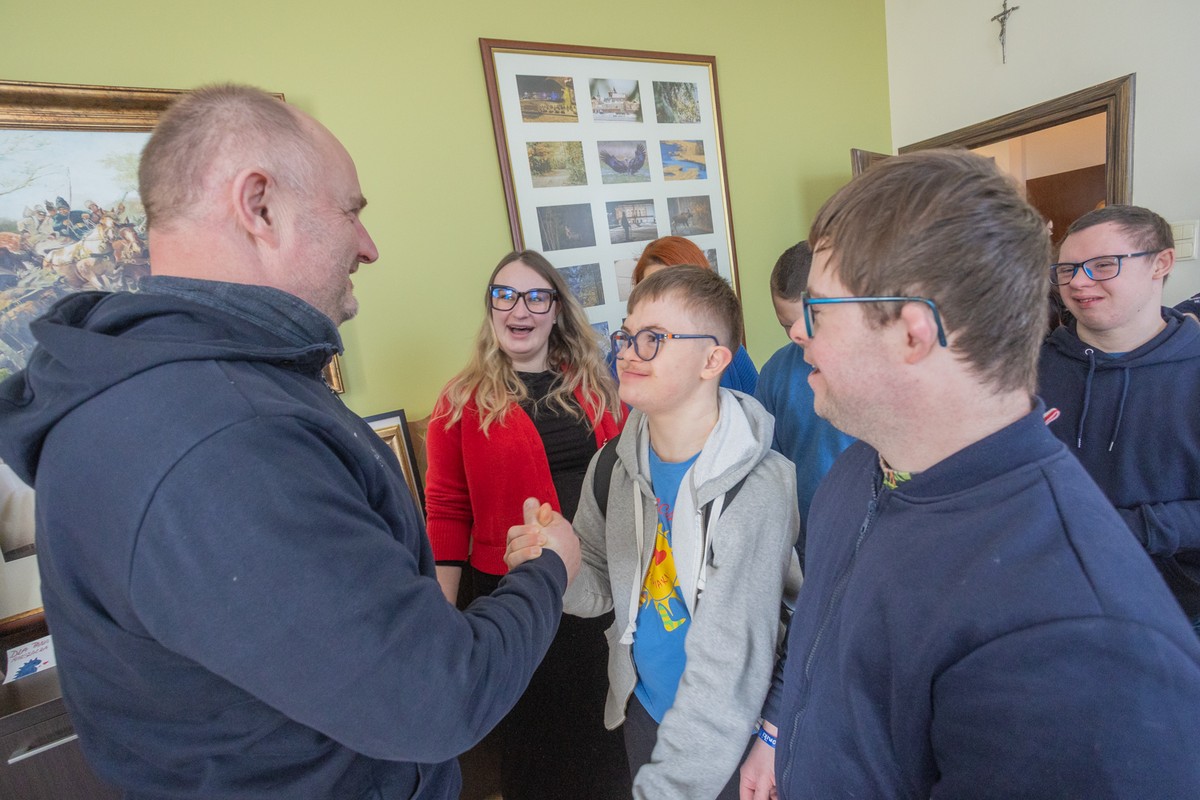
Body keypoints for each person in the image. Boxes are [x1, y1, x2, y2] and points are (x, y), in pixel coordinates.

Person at [0, 84, 581, 800]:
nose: (368, 246)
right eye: (352, 212)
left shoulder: (182, 396)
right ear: (261, 205)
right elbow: (436, 696)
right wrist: (547, 570)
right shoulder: (220, 438)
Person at [774, 150, 1200, 798]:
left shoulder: (1083, 644)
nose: (799, 335)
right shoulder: (861, 470)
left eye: (819, 311)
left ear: (913, 334)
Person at [510, 265, 802, 800]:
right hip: (645, 710)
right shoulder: (611, 466)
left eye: (654, 339)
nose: (627, 351)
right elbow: (600, 587)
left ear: (713, 360)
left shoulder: (759, 486)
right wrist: (556, 564)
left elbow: (729, 667)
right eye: (625, 336)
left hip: (733, 733)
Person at [423, 249, 630, 799]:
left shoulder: (596, 388)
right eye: (504, 296)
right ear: (491, 311)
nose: (521, 309)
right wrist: (440, 615)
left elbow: (628, 481)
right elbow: (445, 510)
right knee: (535, 744)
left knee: (603, 726)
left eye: (537, 296)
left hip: (595, 586)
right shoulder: (461, 400)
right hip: (510, 594)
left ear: (556, 309)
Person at [1039, 205, 1200, 629]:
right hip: (1048, 595)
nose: (1078, 282)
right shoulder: (1027, 365)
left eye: (1102, 265)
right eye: (1067, 268)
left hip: (1176, 608)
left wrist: (1129, 527)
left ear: (1161, 263)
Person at [753, 240, 854, 564]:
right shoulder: (775, 373)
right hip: (806, 546)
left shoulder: (869, 370)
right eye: (786, 325)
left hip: (871, 540)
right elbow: (766, 468)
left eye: (812, 322)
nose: (798, 335)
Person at [614, 235, 758, 394]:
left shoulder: (732, 355)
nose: (631, 355)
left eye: (677, 289)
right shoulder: (620, 361)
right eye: (651, 288)